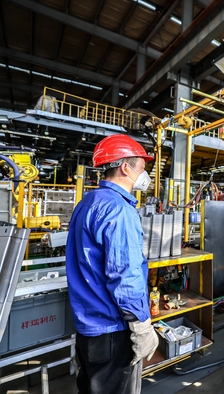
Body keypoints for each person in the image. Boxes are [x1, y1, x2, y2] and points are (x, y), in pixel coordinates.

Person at [66, 134, 159, 394]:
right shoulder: (119, 209)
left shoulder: (88, 203)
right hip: (114, 329)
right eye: (142, 167)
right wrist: (141, 326)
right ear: (125, 167)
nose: (145, 174)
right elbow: (124, 276)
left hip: (88, 328)